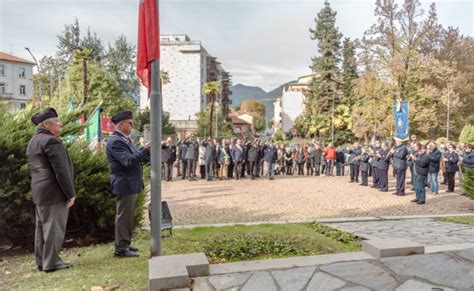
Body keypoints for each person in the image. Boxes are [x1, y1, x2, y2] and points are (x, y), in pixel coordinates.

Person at [27, 108, 76, 272]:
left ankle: (42, 261)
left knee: (41, 229)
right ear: (47, 124)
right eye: (57, 121)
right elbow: (61, 171)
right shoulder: (51, 142)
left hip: (40, 191)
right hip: (54, 191)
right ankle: (52, 262)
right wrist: (70, 193)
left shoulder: (33, 141)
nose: (60, 123)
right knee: (54, 229)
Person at [106, 111, 150, 257]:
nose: (132, 126)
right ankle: (121, 249)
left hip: (129, 183)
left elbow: (135, 159)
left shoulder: (125, 140)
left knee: (127, 216)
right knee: (124, 216)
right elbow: (128, 161)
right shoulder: (116, 141)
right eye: (130, 123)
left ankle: (125, 244)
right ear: (122, 124)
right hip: (124, 183)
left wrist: (146, 154)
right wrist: (145, 150)